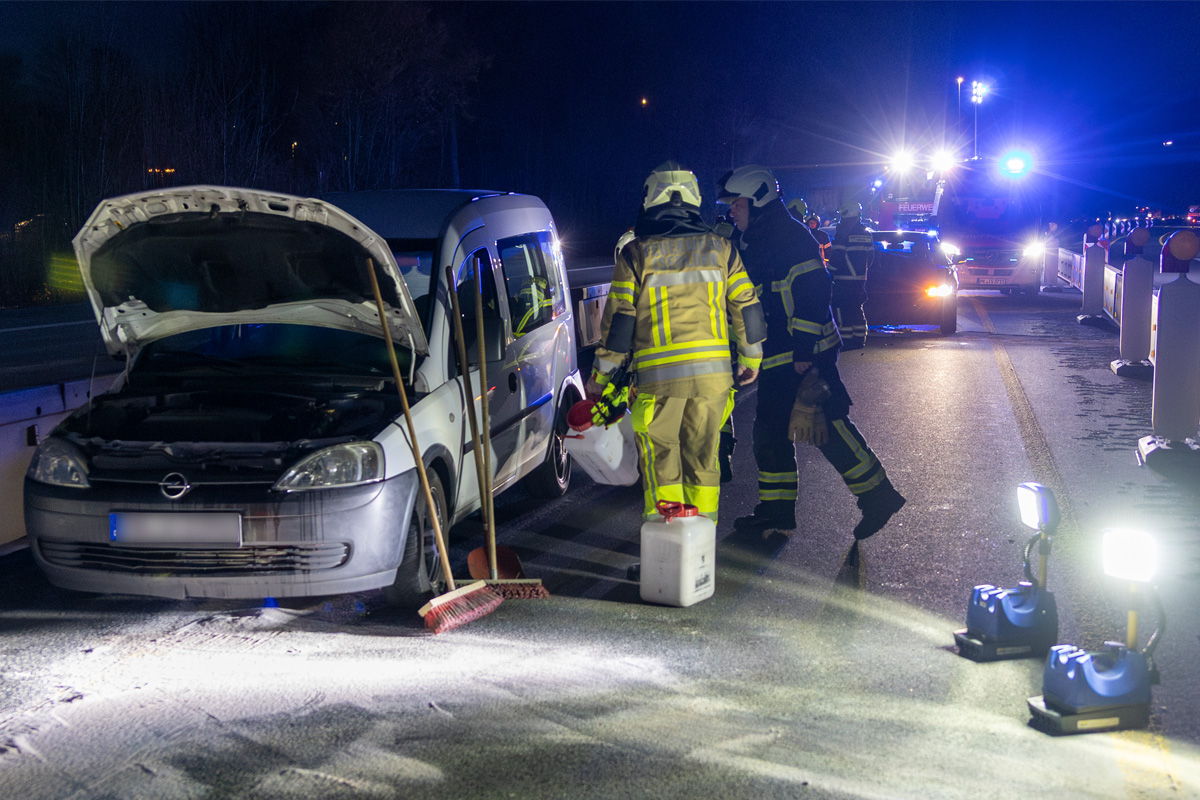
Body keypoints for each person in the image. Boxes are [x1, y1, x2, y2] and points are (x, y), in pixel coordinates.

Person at [717, 165, 905, 541]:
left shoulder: (787, 238)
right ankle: (777, 510)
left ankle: (879, 495)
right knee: (770, 432)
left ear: (758, 199)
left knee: (827, 425)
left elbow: (815, 292)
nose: (730, 211)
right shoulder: (758, 237)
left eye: (735, 204)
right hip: (778, 354)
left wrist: (803, 350)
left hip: (803, 354)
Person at [586, 162, 766, 523]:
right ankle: (701, 555)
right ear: (694, 200)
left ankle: (666, 554)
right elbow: (747, 307)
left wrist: (599, 381)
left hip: (659, 384)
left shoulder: (636, 254)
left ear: (650, 200)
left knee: (662, 461)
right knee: (704, 461)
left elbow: (619, 326)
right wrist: (752, 359)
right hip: (714, 383)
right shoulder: (721, 249)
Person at [828, 200, 874, 349]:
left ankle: (846, 340)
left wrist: (829, 272)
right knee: (856, 308)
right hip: (860, 280)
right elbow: (871, 258)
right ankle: (859, 339)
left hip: (843, 280)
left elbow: (837, 257)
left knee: (843, 309)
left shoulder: (843, 233)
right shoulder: (867, 234)